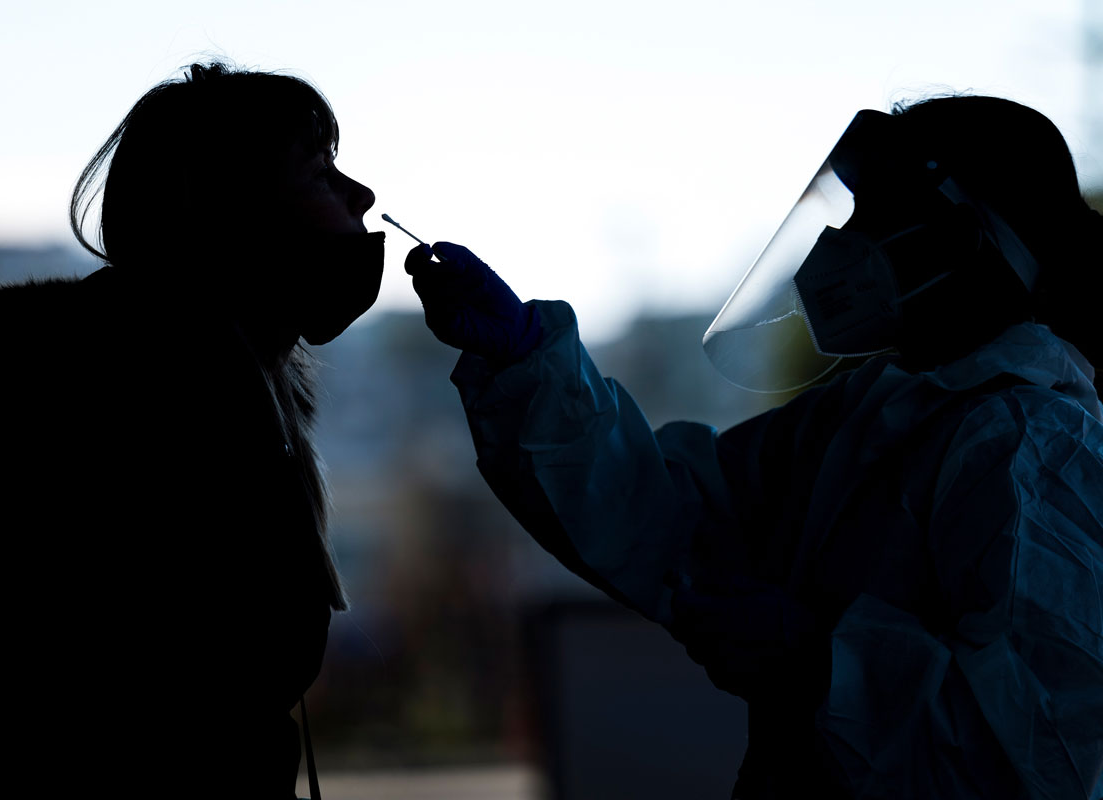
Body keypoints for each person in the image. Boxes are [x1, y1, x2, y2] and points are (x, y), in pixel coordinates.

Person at [404, 96, 1103, 798]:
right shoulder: (875, 415)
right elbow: (669, 520)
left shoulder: (1030, 444)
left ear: (960, 242)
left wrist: (821, 666)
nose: (843, 240)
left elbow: (1044, 755)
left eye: (876, 213)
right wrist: (531, 366)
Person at [0, 61, 379, 799]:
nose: (363, 198)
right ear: (230, 215)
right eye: (321, 174)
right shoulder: (148, 403)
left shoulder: (189, 387)